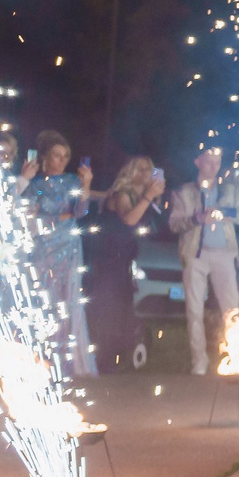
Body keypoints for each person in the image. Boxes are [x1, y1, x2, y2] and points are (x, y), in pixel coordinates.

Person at [18, 132, 96, 378]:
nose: (61, 161)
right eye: (56, 156)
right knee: (47, 302)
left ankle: (74, 364)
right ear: (45, 157)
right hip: (44, 249)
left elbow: (81, 211)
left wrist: (86, 185)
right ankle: (45, 362)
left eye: (65, 157)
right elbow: (30, 218)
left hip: (69, 248)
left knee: (70, 302)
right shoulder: (36, 185)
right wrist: (60, 217)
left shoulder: (73, 181)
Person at [169, 146, 239, 376]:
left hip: (224, 254)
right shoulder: (184, 192)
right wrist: (197, 218)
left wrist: (227, 214)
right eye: (209, 162)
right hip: (197, 255)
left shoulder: (229, 190)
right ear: (198, 162)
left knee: (231, 309)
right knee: (194, 310)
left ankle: (236, 359)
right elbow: (174, 224)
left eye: (217, 162)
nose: (214, 167)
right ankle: (199, 363)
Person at [86, 157, 166, 371]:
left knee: (123, 307)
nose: (145, 174)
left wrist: (152, 198)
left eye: (149, 169)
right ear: (129, 172)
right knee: (110, 308)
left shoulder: (141, 196)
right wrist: (148, 197)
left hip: (125, 259)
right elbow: (129, 219)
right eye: (139, 169)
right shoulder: (123, 194)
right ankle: (104, 361)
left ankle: (119, 359)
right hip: (108, 260)